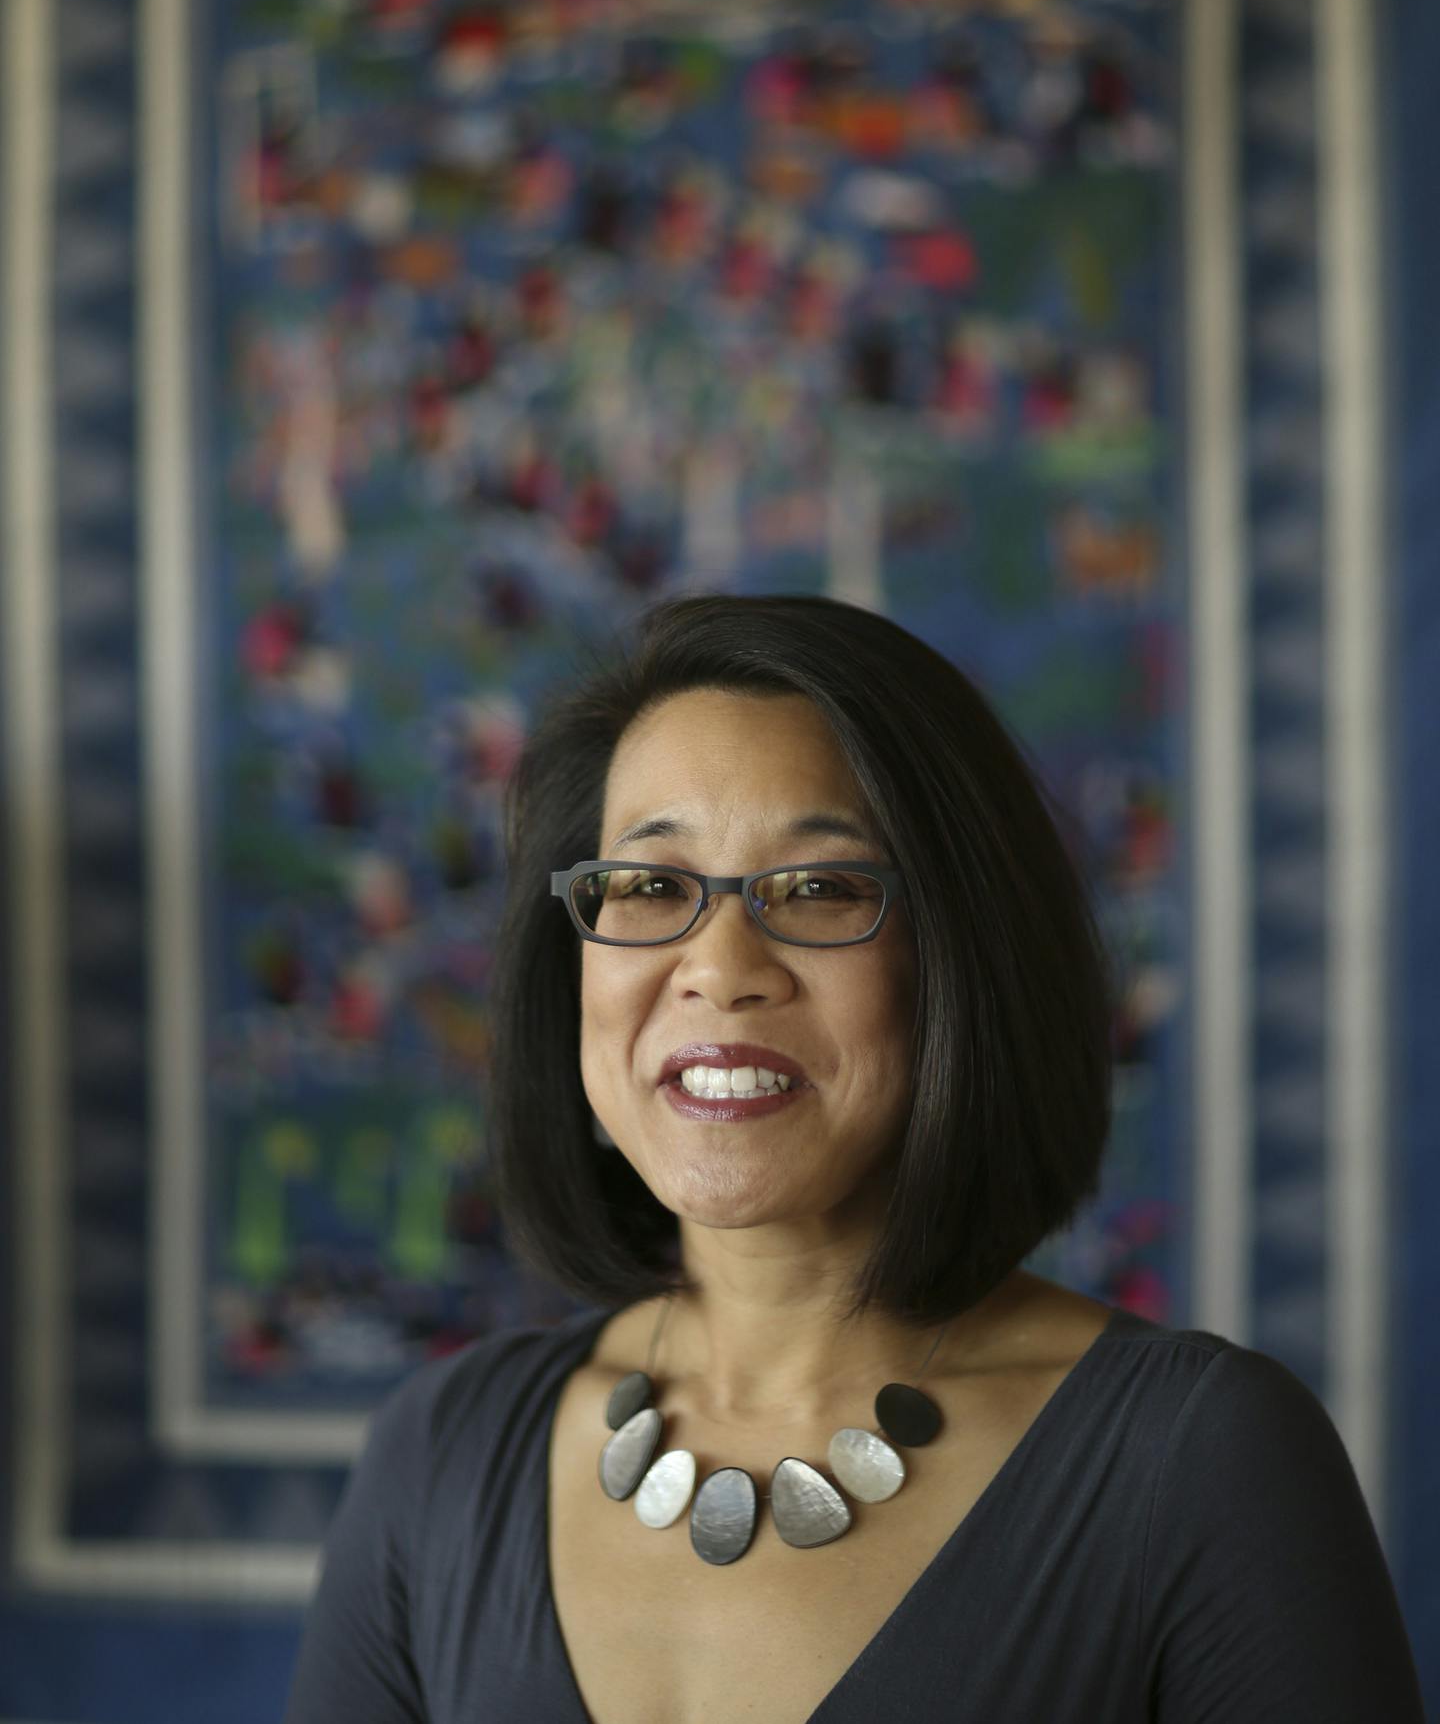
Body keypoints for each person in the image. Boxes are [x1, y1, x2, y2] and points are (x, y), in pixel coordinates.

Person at [284, 592, 1425, 1723]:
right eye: (648, 884)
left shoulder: (1202, 1461)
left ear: (961, 961)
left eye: (820, 886)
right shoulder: (441, 1456)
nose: (719, 966)